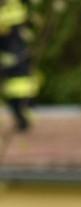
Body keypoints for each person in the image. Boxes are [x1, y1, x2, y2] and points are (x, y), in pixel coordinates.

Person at [0, 0, 37, 132]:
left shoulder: (13, 8)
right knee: (13, 93)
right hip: (10, 56)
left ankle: (23, 118)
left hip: (16, 56)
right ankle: (21, 118)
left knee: (20, 90)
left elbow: (16, 31)